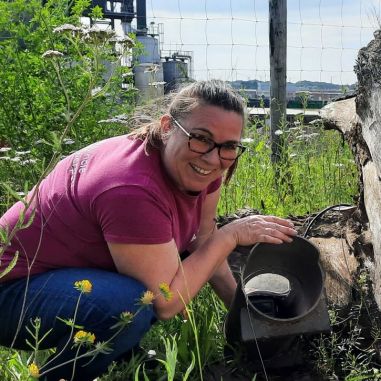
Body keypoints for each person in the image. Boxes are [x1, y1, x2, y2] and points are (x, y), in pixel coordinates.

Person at [0, 80, 297, 380]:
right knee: (132, 305)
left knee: (159, 271)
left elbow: (202, 238)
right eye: (200, 137)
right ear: (168, 126)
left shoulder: (203, 166)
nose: (212, 158)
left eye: (228, 146)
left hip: (63, 277)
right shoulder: (131, 187)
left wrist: (245, 316)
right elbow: (166, 302)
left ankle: (117, 352)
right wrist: (231, 235)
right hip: (11, 290)